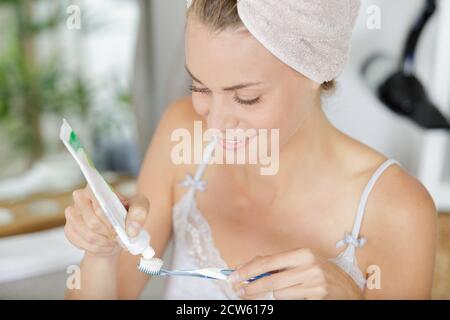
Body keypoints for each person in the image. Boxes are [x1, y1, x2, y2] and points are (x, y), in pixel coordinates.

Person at [64, 0, 437, 299]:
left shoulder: (396, 210)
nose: (216, 124)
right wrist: (101, 252)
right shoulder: (183, 131)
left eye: (245, 98)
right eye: (200, 88)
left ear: (314, 72)